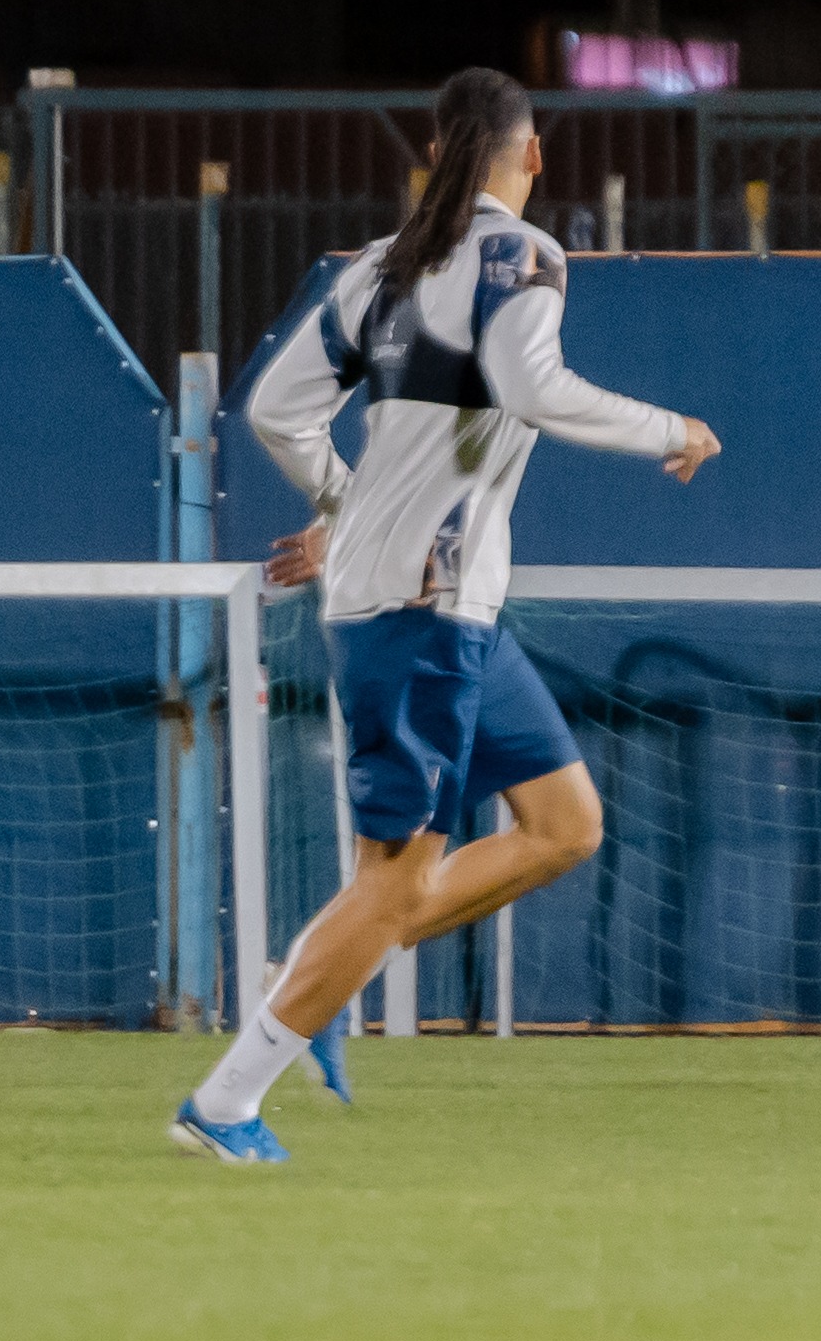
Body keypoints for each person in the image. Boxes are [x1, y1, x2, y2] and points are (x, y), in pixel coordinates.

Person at [171, 67, 720, 1162]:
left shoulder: (382, 266)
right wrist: (673, 428)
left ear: (437, 151)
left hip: (444, 602)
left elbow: (276, 412)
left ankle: (323, 969)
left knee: (565, 825)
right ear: (535, 153)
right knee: (393, 882)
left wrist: (348, 504)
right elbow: (532, 385)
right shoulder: (523, 255)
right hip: (421, 609)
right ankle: (226, 1102)